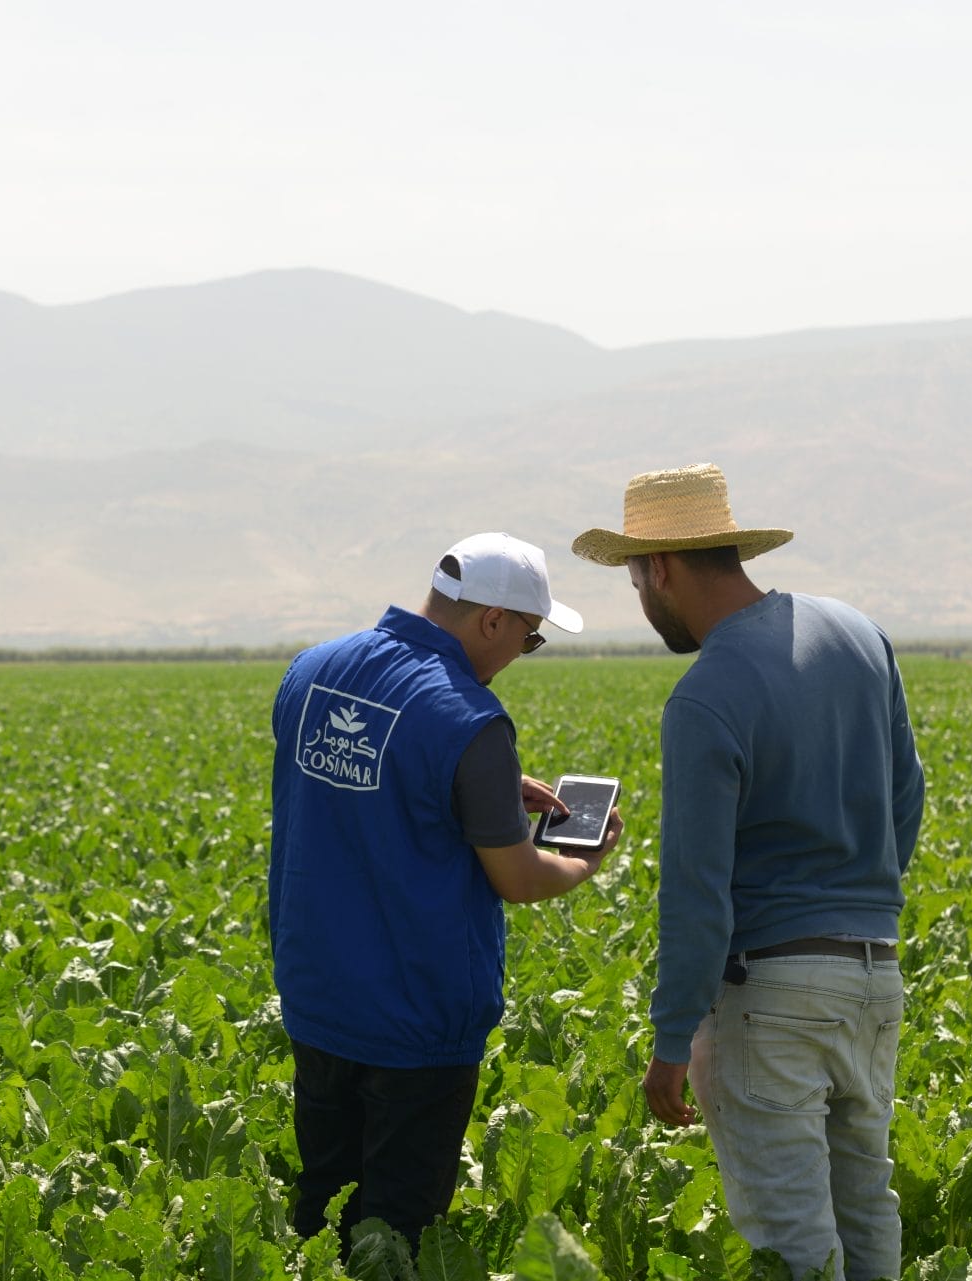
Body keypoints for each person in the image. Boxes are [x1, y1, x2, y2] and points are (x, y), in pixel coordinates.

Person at [570, 464, 926, 1281]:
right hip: (874, 975)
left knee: (791, 1237)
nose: (641, 598)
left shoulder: (705, 695)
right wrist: (857, 894)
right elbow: (908, 794)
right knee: (866, 1206)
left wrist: (669, 1039)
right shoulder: (858, 634)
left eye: (633, 579)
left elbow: (698, 891)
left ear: (659, 567)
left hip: (771, 994)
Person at [268, 531, 624, 1254]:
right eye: (528, 639)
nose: (519, 657)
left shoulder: (311, 672)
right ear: (492, 618)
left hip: (318, 1000)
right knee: (395, 1239)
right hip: (416, 1021)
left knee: (320, 1212)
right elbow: (520, 878)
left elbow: (370, 792)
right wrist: (586, 858)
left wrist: (485, 792)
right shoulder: (469, 717)